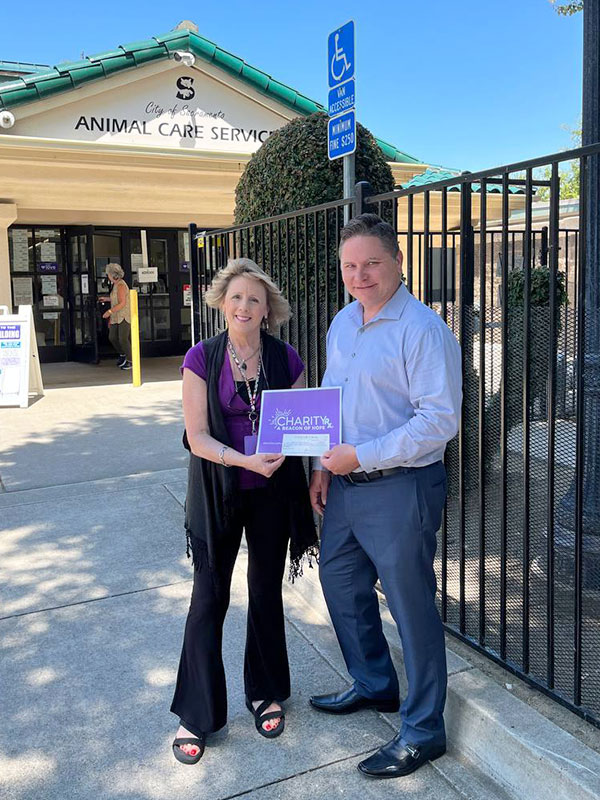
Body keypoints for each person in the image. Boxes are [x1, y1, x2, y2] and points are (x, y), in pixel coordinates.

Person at [308, 214, 462, 779]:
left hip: (400, 485)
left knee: (411, 606)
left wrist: (362, 456)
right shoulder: (344, 321)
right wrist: (318, 466)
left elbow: (439, 422)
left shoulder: (422, 329)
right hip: (345, 482)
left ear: (398, 261)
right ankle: (375, 684)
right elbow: (331, 397)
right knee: (340, 580)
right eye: (350, 265)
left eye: (371, 262)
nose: (359, 275)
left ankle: (424, 731)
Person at [171, 257, 318, 764]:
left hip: (273, 492)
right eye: (236, 297)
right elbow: (197, 436)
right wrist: (244, 459)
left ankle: (264, 691)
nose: (244, 305)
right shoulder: (200, 358)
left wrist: (288, 454)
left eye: (254, 299)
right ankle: (198, 712)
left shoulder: (286, 358)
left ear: (267, 310)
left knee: (264, 591)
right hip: (219, 488)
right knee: (209, 597)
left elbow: (302, 426)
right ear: (222, 304)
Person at [102, 263, 132, 370]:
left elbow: (122, 302)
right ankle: (123, 354)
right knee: (112, 337)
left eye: (108, 274)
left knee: (123, 338)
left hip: (123, 315)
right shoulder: (115, 285)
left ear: (113, 275)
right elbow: (116, 299)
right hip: (116, 315)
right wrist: (106, 299)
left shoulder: (121, 285)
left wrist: (109, 312)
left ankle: (130, 360)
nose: (107, 276)